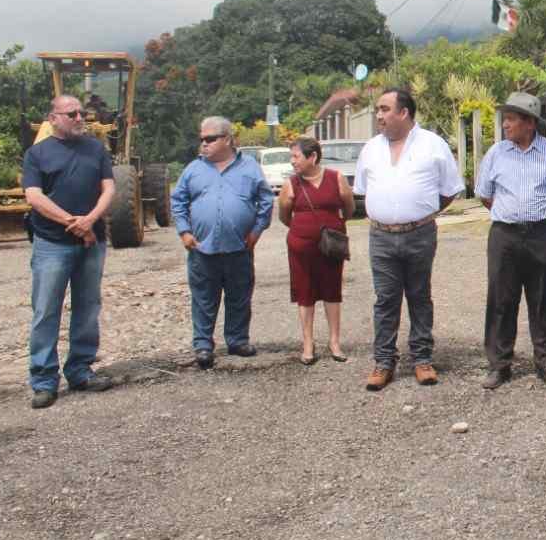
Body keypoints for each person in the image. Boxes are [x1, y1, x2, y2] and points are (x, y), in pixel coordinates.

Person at [353, 89, 464, 391]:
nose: (378, 115)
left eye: (384, 109)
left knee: (419, 296)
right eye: (378, 109)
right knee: (385, 299)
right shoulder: (371, 149)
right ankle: (383, 362)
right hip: (381, 236)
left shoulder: (433, 145)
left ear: (404, 113)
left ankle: (422, 359)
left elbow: (449, 190)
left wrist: (421, 213)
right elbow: (363, 190)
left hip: (420, 234)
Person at [475, 92, 546, 389]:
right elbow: (484, 194)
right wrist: (510, 214)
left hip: (542, 234)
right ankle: (499, 365)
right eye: (505, 119)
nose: (505, 124)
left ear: (530, 123)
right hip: (504, 236)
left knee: (544, 299)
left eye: (511, 119)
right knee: (501, 300)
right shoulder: (496, 153)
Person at [21, 95, 117, 408]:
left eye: (82, 113)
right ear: (53, 118)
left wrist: (90, 220)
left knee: (87, 307)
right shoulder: (36, 154)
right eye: (72, 113)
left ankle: (80, 370)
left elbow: (109, 189)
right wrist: (73, 223)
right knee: (46, 310)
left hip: (92, 242)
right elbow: (34, 197)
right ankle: (44, 381)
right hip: (51, 244)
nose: (79, 118)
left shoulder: (96, 149)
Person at [170, 116, 275, 370]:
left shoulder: (249, 167)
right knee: (203, 298)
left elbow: (266, 200)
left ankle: (238, 341)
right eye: (202, 139)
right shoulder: (193, 169)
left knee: (239, 295)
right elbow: (178, 201)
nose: (203, 144)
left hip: (239, 248)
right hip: (202, 249)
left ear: (227, 139)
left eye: (210, 139)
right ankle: (203, 345)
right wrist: (184, 231)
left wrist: (257, 231)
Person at [278, 136, 355, 365]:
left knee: (332, 290)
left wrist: (335, 225)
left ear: (312, 157)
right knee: (305, 293)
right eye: (291, 157)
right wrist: (302, 230)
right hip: (301, 248)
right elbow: (284, 215)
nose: (292, 161)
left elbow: (349, 208)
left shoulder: (336, 178)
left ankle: (334, 342)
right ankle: (308, 343)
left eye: (296, 156)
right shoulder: (291, 183)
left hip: (331, 247)